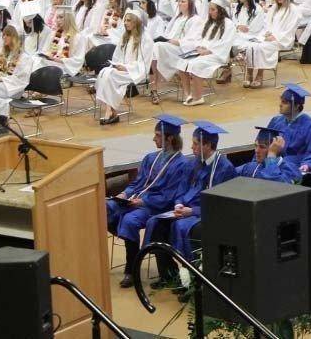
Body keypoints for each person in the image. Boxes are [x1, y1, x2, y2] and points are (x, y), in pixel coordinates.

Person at [143, 121, 236, 287]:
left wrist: (191, 211)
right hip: (184, 211)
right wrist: (178, 205)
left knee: (181, 227)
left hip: (206, 215)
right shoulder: (192, 163)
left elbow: (222, 204)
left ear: (208, 145)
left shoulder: (224, 168)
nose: (191, 147)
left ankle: (192, 284)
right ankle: (169, 276)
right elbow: (181, 190)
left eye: (195, 144)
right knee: (155, 223)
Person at [106, 115, 190, 288]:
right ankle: (132, 246)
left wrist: (142, 202)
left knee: (130, 221)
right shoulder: (151, 158)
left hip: (154, 207)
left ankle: (131, 270)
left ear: (170, 138)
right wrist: (124, 194)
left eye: (158, 136)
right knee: (106, 208)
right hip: (134, 200)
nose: (154, 139)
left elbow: (169, 196)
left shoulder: (182, 164)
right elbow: (137, 183)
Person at [96, 10, 154, 125]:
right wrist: (117, 65)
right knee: (105, 72)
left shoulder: (145, 38)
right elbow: (117, 56)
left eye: (128, 20)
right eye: (125, 20)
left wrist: (126, 68)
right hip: (122, 69)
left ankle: (110, 112)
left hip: (136, 72)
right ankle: (112, 112)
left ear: (136, 22)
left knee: (110, 76)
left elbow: (143, 62)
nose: (125, 23)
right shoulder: (125, 36)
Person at [175, 0, 235, 106]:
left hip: (216, 55)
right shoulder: (209, 22)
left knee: (195, 64)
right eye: (209, 9)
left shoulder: (229, 24)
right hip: (202, 52)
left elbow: (225, 43)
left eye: (213, 10)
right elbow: (199, 37)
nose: (210, 12)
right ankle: (188, 95)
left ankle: (198, 97)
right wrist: (199, 47)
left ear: (220, 10)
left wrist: (208, 51)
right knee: (181, 61)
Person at [239, 0, 301, 87]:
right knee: (251, 45)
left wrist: (276, 37)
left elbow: (290, 29)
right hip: (269, 36)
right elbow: (266, 24)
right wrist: (266, 33)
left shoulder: (293, 9)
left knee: (262, 47)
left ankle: (259, 75)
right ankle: (249, 73)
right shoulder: (275, 7)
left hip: (283, 39)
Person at [265, 83, 311, 169]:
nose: (280, 104)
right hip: (271, 159)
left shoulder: (309, 126)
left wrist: (306, 164)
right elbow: (264, 142)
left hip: (291, 167)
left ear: (297, 106)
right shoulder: (276, 120)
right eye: (281, 101)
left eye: (284, 102)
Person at [236, 127, 301, 183]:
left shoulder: (291, 170)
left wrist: (271, 155)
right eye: (256, 146)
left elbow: (273, 185)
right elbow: (230, 174)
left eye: (262, 147)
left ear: (275, 149)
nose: (257, 151)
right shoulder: (251, 167)